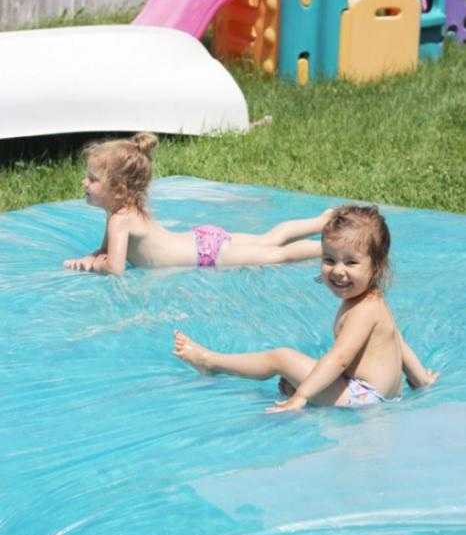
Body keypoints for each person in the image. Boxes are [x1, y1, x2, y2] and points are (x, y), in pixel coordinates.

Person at [174, 205, 439, 412]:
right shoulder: (375, 301)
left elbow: (339, 359)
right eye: (329, 259)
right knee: (296, 374)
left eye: (351, 263)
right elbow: (397, 341)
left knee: (282, 358)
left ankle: (211, 363)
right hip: (382, 395)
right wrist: (420, 379)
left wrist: (302, 396)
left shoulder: (363, 310)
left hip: (363, 397)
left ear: (377, 266)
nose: (337, 271)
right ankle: (303, 389)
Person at [63, 132, 332, 276]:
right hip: (201, 239)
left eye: (93, 179)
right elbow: (106, 250)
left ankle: (328, 248)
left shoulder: (120, 220)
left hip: (208, 255)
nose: (84, 183)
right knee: (269, 239)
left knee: (277, 255)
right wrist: (94, 254)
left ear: (119, 189)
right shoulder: (120, 212)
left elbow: (115, 268)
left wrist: (91, 265)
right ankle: (321, 222)